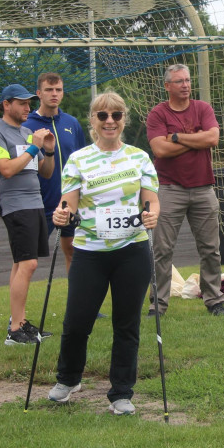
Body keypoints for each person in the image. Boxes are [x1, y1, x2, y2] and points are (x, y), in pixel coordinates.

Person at [48, 91, 159, 415]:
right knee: (77, 321)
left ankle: (122, 392)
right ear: (93, 121)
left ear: (124, 119)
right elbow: (67, 202)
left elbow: (151, 200)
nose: (109, 121)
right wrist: (62, 214)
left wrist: (152, 214)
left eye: (116, 115)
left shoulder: (139, 158)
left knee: (127, 324)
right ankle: (68, 379)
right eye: (102, 116)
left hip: (131, 250)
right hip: (90, 251)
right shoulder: (79, 159)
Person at [146, 64, 224, 317]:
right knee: (162, 250)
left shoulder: (203, 108)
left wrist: (177, 137)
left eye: (188, 80)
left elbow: (212, 139)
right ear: (167, 86)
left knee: (211, 249)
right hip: (169, 189)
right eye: (179, 81)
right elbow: (159, 150)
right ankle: (158, 305)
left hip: (204, 189)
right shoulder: (158, 114)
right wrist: (195, 139)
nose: (185, 85)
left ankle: (214, 301)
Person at [0, 84, 57, 346]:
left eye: (29, 103)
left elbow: (45, 172)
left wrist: (47, 149)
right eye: (22, 103)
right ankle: (15, 330)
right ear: (6, 104)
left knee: (21, 263)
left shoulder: (27, 133)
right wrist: (34, 148)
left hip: (35, 202)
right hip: (15, 205)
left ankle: (21, 322)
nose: (28, 108)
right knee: (29, 264)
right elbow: (6, 169)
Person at [22, 72, 86, 271]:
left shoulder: (72, 123)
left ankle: (75, 299)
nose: (54, 94)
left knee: (73, 250)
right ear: (39, 93)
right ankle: (18, 301)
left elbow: (82, 160)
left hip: (69, 200)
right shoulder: (27, 126)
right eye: (49, 90)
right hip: (40, 201)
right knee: (28, 259)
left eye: (58, 89)